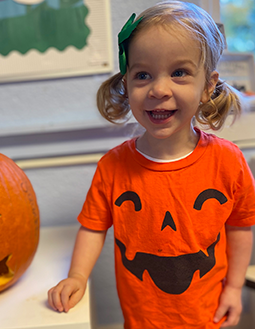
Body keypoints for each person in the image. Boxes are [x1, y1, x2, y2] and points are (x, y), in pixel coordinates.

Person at [48, 1, 255, 328]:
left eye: (179, 73)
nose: (159, 89)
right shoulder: (113, 166)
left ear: (208, 86)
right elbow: (92, 227)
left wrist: (233, 287)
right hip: (141, 320)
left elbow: (241, 227)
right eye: (143, 75)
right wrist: (77, 276)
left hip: (208, 317)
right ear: (126, 84)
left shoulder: (228, 162)